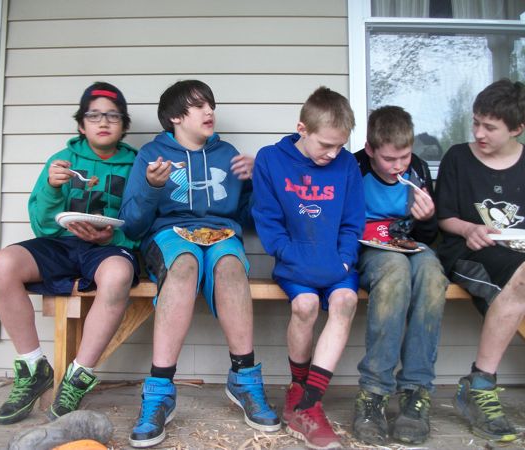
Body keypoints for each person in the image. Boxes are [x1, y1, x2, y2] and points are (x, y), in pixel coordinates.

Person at [120, 79, 280, 448]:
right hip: (169, 236)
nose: (209, 111)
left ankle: (244, 379)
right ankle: (159, 391)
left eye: (211, 105)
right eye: (199, 106)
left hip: (221, 234)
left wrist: (258, 183)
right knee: (185, 263)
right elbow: (132, 225)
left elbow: (249, 218)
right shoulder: (152, 155)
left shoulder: (228, 153)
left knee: (231, 266)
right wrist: (151, 186)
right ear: (176, 117)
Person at [0, 82, 140, 424]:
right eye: (94, 115)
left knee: (118, 275)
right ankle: (33, 368)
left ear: (124, 125)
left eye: (113, 116)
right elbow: (42, 225)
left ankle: (78, 376)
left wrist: (113, 236)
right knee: (1, 265)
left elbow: (142, 221)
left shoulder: (136, 165)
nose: (104, 121)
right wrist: (52, 188)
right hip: (61, 243)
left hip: (110, 247)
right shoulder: (62, 161)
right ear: (81, 124)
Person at [252, 86, 365, 449]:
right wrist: (291, 256)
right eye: (326, 145)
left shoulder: (346, 165)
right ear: (302, 128)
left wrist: (344, 259)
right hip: (294, 261)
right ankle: (297, 388)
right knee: (306, 305)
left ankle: (308, 405)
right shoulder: (271, 160)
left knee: (346, 301)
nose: (333, 154)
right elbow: (268, 222)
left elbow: (353, 222)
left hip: (335, 261)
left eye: (340, 146)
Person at [352, 106, 448, 445]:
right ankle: (374, 393)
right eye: (389, 159)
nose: (399, 167)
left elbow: (426, 237)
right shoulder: (354, 168)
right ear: (370, 149)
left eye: (404, 157)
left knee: (432, 274)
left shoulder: (418, 170)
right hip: (369, 251)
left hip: (409, 246)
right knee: (395, 271)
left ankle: (415, 392)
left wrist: (427, 218)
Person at [436, 78, 525, 443]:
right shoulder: (458, 157)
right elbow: (444, 217)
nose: (478, 133)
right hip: (468, 250)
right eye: (475, 122)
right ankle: (481, 384)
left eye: (489, 127)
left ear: (517, 128)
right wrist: (469, 228)